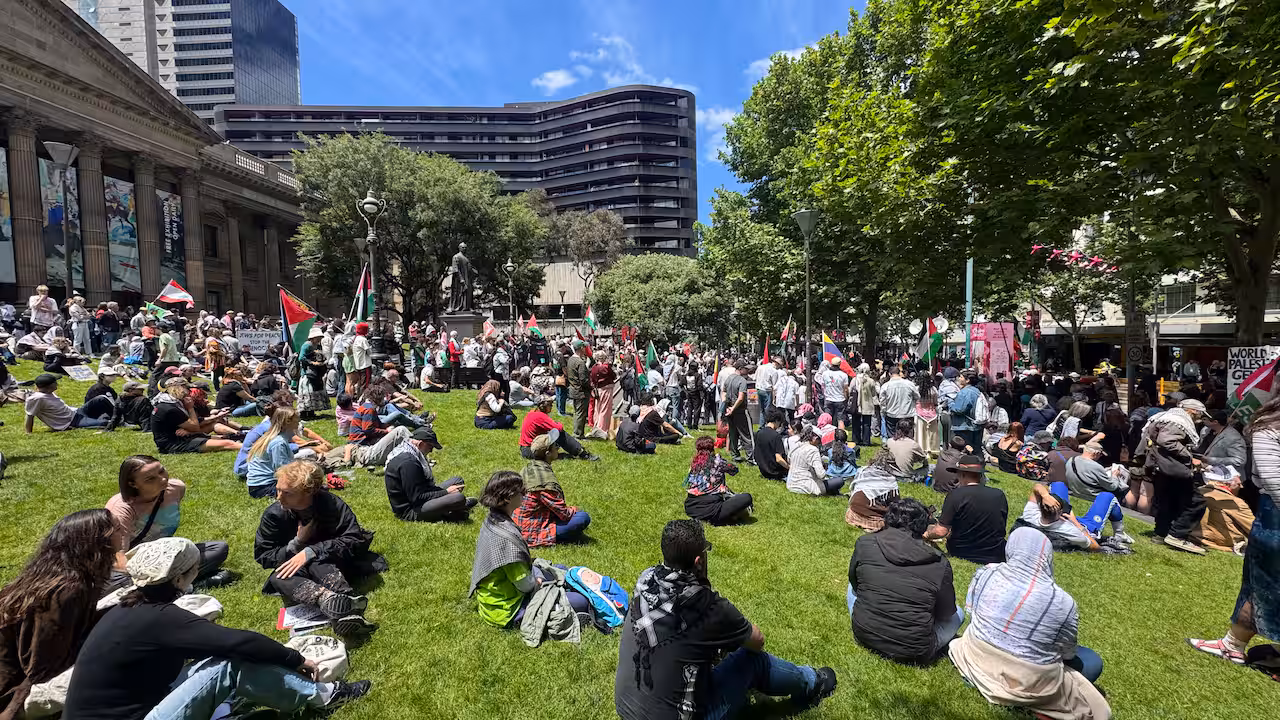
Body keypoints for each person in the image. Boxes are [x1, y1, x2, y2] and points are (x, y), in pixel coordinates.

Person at [64, 537, 370, 719]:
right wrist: (295, 659)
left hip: (130, 705)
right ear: (179, 578)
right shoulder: (161, 618)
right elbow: (239, 644)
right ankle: (325, 696)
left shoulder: (126, 607)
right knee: (228, 666)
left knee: (210, 663)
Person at [614, 519, 837, 719]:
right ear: (699, 560)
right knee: (752, 660)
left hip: (627, 709)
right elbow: (757, 641)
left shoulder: (645, 580)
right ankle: (812, 682)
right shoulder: (709, 606)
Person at [950, 528, 1110, 719]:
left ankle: (985, 681)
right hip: (1027, 679)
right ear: (1047, 557)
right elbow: (1067, 653)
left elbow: (972, 613)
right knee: (1092, 661)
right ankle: (1030, 700)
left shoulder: (987, 573)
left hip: (975, 656)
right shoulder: (1063, 602)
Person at [1189, 394, 1280, 664]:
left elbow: (1273, 479)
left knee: (1261, 582)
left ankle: (1233, 645)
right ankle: (1233, 644)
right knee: (1259, 583)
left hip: (1275, 513)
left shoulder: (1269, 424)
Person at [0, 509, 115, 719]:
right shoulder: (67, 591)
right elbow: (40, 665)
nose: (121, 535)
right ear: (96, 543)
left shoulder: (51, 573)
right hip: (7, 687)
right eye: (112, 533)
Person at [254, 461, 382, 636]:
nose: (279, 497)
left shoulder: (332, 505)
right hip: (295, 569)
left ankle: (341, 603)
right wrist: (297, 544)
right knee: (279, 577)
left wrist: (311, 552)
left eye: (287, 493)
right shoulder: (274, 514)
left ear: (308, 492)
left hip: (331, 563)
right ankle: (334, 603)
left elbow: (353, 539)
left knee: (317, 562)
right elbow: (264, 555)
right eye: (278, 489)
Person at [847, 497, 963, 664]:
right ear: (923, 528)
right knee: (959, 613)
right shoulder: (939, 562)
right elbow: (946, 613)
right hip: (914, 651)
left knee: (852, 586)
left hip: (864, 633)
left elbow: (855, 584)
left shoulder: (865, 543)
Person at [468, 470, 590, 628]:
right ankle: (554, 616)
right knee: (580, 601)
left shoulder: (492, 519)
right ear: (508, 498)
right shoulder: (506, 541)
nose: (525, 495)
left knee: (560, 570)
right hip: (508, 609)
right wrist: (538, 581)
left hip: (493, 598)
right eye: (522, 491)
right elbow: (524, 584)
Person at [108, 455, 232, 589]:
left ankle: (170, 585)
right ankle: (176, 586)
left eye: (161, 471)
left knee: (218, 549)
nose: (162, 479)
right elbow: (118, 558)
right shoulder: (121, 509)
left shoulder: (176, 488)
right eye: (150, 479)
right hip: (134, 563)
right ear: (132, 484)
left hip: (161, 554)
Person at [1143, 398, 1207, 554]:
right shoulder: (1177, 421)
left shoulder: (1163, 417)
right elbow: (1167, 440)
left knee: (1167, 501)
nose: (1200, 418)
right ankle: (1177, 535)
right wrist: (1190, 457)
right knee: (1196, 502)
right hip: (1173, 468)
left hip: (1160, 466)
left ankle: (1160, 534)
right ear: (1192, 411)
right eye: (1200, 414)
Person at [925, 455, 1008, 564]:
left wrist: (926, 534)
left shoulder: (955, 495)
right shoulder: (999, 495)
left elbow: (941, 532)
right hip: (995, 553)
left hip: (963, 552)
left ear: (962, 474)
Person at [513, 431, 591, 546]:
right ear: (548, 453)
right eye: (556, 446)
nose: (558, 448)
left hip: (520, 523)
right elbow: (564, 514)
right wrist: (574, 509)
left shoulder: (529, 468)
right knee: (583, 517)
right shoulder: (543, 482)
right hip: (530, 531)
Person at [385, 426, 476, 522]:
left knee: (457, 481)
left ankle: (453, 506)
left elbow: (422, 490)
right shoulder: (409, 463)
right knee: (458, 497)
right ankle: (454, 508)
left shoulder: (411, 453)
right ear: (420, 444)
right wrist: (446, 492)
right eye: (430, 446)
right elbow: (418, 497)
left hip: (423, 493)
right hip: (412, 509)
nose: (431, 450)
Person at [150, 378, 241, 454]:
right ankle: (251, 448)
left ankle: (240, 435)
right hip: (173, 444)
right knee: (227, 443)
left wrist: (216, 417)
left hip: (181, 436)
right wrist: (190, 408)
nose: (189, 391)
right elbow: (195, 427)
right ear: (178, 388)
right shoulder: (169, 408)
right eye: (186, 388)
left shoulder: (170, 402)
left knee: (219, 433)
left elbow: (194, 422)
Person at [684, 436, 754, 525]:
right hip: (711, 510)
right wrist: (720, 459)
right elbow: (734, 470)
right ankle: (732, 515)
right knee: (746, 497)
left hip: (690, 507)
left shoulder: (694, 463)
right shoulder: (718, 462)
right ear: (712, 448)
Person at [346, 385, 414, 467]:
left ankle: (412, 453)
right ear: (377, 397)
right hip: (363, 446)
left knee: (395, 431)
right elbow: (368, 430)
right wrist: (386, 431)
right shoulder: (369, 409)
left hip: (366, 442)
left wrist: (386, 427)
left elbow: (376, 426)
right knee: (400, 431)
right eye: (382, 397)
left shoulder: (367, 407)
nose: (384, 399)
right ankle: (416, 452)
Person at [519, 391, 599, 460]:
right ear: (543, 406)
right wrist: (558, 423)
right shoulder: (540, 416)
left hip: (525, 449)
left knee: (553, 434)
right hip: (531, 450)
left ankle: (573, 451)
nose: (552, 406)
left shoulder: (533, 413)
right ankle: (582, 453)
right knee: (560, 433)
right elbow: (559, 428)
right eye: (550, 405)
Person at [23, 373, 114, 432]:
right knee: (106, 423)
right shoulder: (36, 399)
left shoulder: (48, 393)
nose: (57, 384)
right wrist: (28, 433)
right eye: (55, 382)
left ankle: (121, 416)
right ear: (50, 386)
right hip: (71, 422)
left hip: (75, 412)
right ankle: (113, 419)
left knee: (101, 399)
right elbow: (30, 415)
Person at [245, 406, 304, 499]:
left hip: (260, 485)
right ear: (288, 421)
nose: (299, 421)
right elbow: (283, 471)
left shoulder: (278, 438)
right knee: (307, 492)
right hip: (263, 487)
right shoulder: (278, 442)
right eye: (297, 418)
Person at [846, 448, 902, 532]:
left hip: (854, 510)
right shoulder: (889, 481)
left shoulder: (863, 471)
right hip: (872, 514)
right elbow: (896, 503)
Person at [785, 427, 843, 496]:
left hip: (791, 484)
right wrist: (824, 468)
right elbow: (821, 475)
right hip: (805, 486)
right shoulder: (813, 450)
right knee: (840, 481)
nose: (819, 443)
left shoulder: (796, 446)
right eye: (819, 441)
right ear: (815, 438)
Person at [723, 361, 755, 463]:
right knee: (747, 434)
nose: (747, 370)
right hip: (740, 410)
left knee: (733, 434)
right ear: (740, 369)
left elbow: (723, 392)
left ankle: (735, 456)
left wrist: (727, 406)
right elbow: (741, 398)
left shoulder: (728, 378)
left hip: (729, 410)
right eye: (746, 369)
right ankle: (751, 458)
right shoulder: (742, 381)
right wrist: (733, 408)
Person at [297, 326, 330, 417]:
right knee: (308, 392)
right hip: (307, 373)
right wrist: (313, 363)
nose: (319, 339)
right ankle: (304, 412)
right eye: (318, 337)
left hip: (316, 373)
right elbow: (301, 358)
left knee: (313, 393)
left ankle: (311, 411)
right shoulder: (307, 345)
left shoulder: (317, 346)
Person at [879, 365, 920, 434]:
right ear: (899, 373)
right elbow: (917, 397)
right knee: (907, 438)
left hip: (892, 415)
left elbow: (883, 401)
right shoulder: (909, 384)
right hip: (907, 414)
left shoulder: (885, 386)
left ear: (889, 374)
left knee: (892, 438)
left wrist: (883, 412)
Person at [752, 407, 790, 480]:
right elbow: (778, 459)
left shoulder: (758, 433)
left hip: (763, 470)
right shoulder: (776, 436)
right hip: (776, 473)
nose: (779, 426)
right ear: (777, 421)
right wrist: (789, 467)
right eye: (780, 423)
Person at [566, 340, 591, 438]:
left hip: (573, 389)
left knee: (577, 412)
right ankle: (578, 434)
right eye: (584, 347)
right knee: (581, 413)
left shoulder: (571, 359)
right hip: (581, 391)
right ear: (581, 348)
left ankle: (577, 432)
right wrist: (591, 388)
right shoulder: (580, 362)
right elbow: (583, 379)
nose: (585, 349)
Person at [820, 359, 849, 428]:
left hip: (828, 399)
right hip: (840, 399)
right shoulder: (843, 375)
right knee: (840, 419)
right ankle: (841, 436)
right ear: (839, 364)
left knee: (827, 419)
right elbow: (845, 389)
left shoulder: (825, 374)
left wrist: (825, 394)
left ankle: (827, 434)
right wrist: (846, 397)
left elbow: (822, 386)